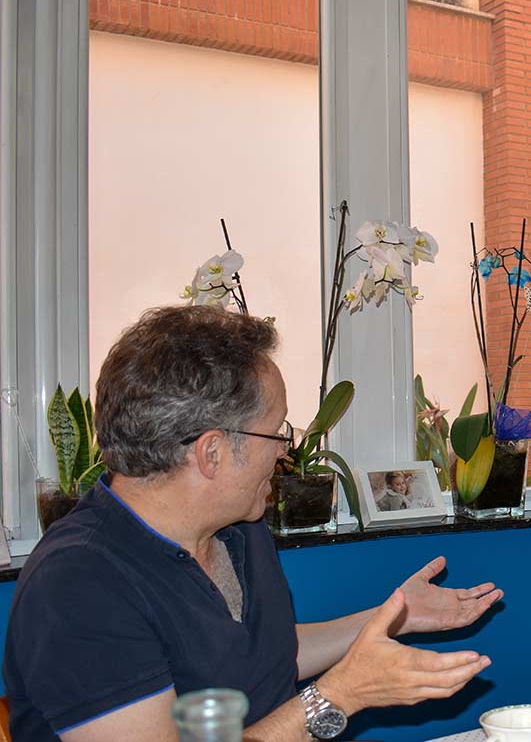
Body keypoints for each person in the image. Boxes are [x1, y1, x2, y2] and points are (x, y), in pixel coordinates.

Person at [3, 306, 503, 741]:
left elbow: (265, 658)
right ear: (212, 452)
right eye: (276, 432)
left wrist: (393, 617)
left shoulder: (237, 527)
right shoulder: (79, 585)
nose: (285, 451)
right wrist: (340, 696)